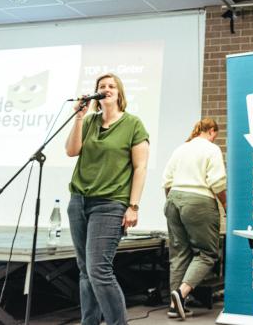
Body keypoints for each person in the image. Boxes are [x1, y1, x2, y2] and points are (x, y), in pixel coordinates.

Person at [64, 72, 150, 325]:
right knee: (85, 271)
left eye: (111, 86)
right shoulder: (89, 121)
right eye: (101, 86)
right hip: (78, 201)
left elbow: (140, 168)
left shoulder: (133, 124)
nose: (106, 89)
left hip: (110, 204)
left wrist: (133, 206)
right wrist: (79, 117)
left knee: (99, 270)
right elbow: (71, 151)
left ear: (120, 93)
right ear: (96, 94)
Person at [162, 118, 227, 321]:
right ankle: (181, 294)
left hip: (174, 200)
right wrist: (226, 205)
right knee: (207, 253)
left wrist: (176, 204)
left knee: (179, 254)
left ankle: (174, 306)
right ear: (210, 131)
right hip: (198, 200)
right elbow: (216, 182)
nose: (215, 138)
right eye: (215, 134)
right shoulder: (210, 149)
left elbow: (167, 181)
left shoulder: (181, 148)